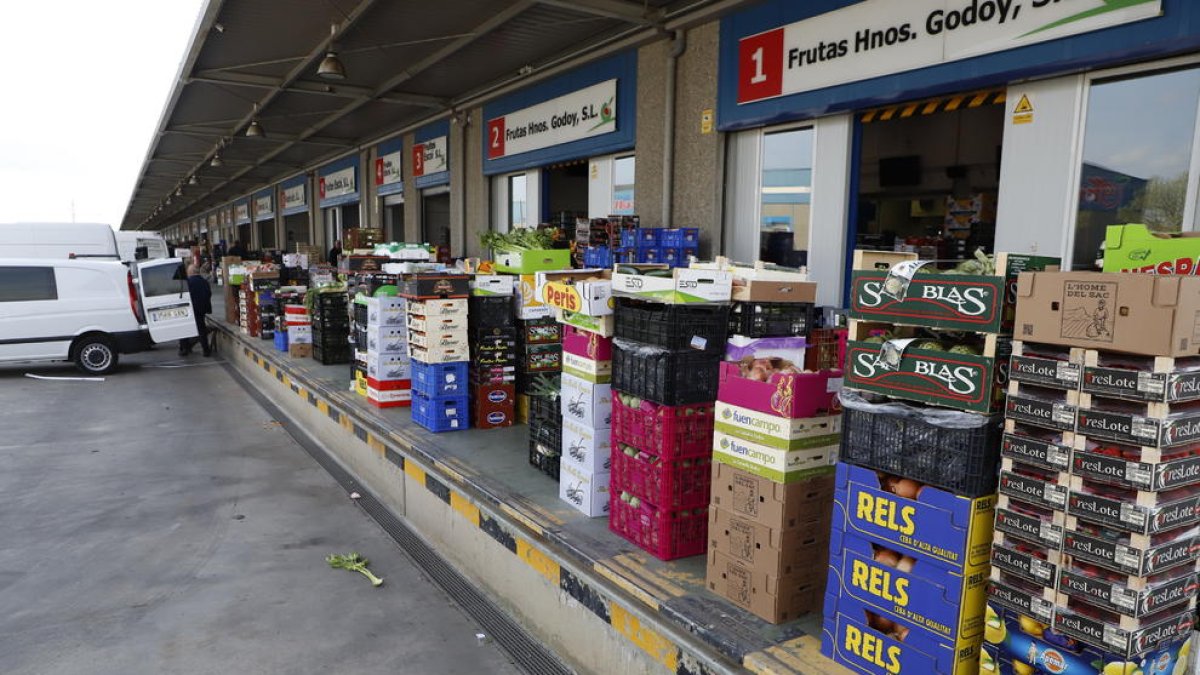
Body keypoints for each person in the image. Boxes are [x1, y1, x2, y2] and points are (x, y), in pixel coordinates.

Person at [179, 263, 213, 357]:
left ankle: (184, 349)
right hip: (201, 309)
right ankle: (206, 350)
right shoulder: (204, 282)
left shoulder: (187, 282)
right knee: (201, 330)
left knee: (184, 329)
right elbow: (208, 294)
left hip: (189, 309)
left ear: (190, 272)